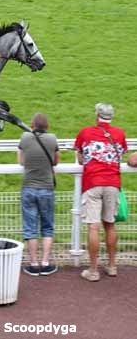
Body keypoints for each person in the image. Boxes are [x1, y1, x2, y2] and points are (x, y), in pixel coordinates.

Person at [74, 103, 127, 282]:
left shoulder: (85, 132)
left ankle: (93, 270)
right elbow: (121, 153)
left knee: (93, 226)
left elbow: (81, 159)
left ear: (97, 114)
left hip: (92, 183)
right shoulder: (119, 133)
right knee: (110, 224)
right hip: (113, 183)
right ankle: (112, 266)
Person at [17, 113, 60, 276]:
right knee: (47, 226)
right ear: (47, 126)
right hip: (46, 188)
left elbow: (21, 161)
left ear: (32, 125)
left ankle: (33, 264)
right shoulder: (52, 139)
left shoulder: (25, 137)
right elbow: (55, 161)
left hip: (28, 187)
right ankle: (45, 262)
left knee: (30, 227)